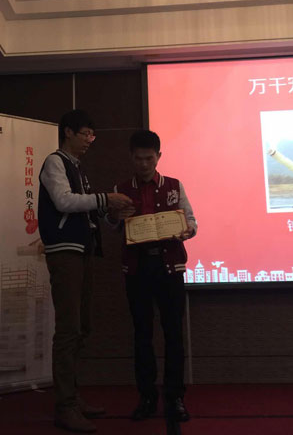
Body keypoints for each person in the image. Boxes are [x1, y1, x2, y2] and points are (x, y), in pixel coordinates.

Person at [38, 109, 133, 433]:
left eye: (93, 134)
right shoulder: (55, 162)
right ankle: (65, 406)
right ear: (68, 132)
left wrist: (112, 210)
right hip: (65, 250)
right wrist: (106, 199)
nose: (91, 140)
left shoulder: (78, 167)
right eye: (86, 134)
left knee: (81, 327)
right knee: (69, 329)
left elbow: (87, 206)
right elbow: (64, 202)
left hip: (82, 250)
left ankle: (73, 397)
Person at [107, 130, 197, 423]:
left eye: (149, 158)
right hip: (137, 269)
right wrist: (115, 217)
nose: (144, 164)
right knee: (142, 335)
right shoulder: (121, 189)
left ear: (158, 156)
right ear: (131, 157)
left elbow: (191, 221)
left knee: (174, 334)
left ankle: (175, 397)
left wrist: (188, 230)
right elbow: (111, 225)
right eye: (138, 158)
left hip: (169, 268)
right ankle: (146, 396)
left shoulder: (174, 185)